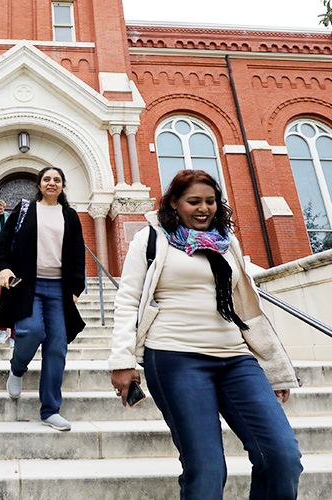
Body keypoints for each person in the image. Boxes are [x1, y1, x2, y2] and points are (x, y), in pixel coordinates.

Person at [109, 170, 302, 499]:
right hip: (175, 358)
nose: (204, 208)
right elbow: (128, 299)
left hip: (236, 358)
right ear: (174, 202)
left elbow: (248, 306)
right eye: (193, 201)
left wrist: (274, 369)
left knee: (282, 457)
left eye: (210, 201)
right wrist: (123, 359)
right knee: (207, 468)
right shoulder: (152, 239)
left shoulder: (228, 241)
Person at [0, 166, 86, 432]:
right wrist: (5, 268)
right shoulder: (24, 211)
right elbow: (1, 246)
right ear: (39, 184)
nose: (52, 183)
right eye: (47, 179)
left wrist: (76, 289)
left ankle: (50, 410)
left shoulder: (70, 216)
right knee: (31, 330)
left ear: (63, 185)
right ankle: (17, 368)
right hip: (27, 285)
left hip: (59, 287)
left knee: (57, 347)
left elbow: (78, 254)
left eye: (57, 179)